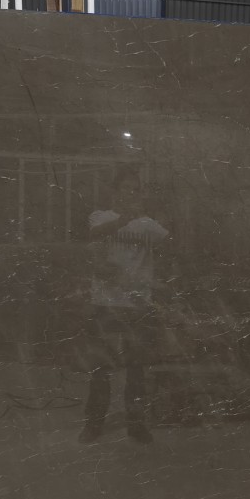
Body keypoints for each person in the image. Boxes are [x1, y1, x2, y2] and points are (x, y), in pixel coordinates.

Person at [81, 170, 168, 443]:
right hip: (105, 302)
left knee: (136, 368)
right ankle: (94, 423)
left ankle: (136, 425)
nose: (130, 193)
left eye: (135, 189)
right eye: (125, 188)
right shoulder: (101, 216)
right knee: (100, 366)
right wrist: (125, 219)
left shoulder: (149, 224)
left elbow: (171, 244)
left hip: (137, 304)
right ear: (115, 191)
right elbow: (94, 234)